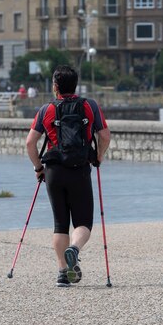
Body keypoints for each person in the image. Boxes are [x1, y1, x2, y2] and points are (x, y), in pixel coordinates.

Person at [26, 65, 111, 287]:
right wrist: (99, 156)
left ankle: (63, 272)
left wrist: (38, 168)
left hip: (54, 171)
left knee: (60, 223)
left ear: (55, 86)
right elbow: (104, 135)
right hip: (80, 169)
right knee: (83, 222)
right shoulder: (89, 106)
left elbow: (30, 143)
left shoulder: (46, 110)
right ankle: (74, 248)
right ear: (75, 84)